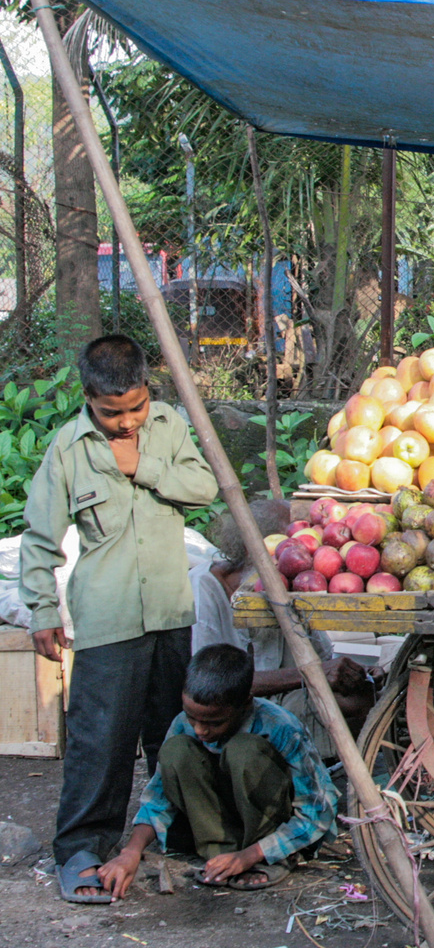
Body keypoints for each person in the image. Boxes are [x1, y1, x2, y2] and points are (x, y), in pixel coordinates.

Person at [20, 335, 219, 903]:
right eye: (113, 413)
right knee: (99, 741)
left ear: (147, 391)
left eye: (135, 407)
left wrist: (145, 466)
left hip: (170, 611)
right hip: (106, 619)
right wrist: (40, 609)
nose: (127, 420)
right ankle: (82, 848)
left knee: (173, 736)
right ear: (88, 398)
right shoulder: (68, 447)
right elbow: (39, 538)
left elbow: (205, 487)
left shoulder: (168, 428)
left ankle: (175, 838)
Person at [97, 644, 339, 897]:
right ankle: (221, 854)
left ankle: (270, 858)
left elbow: (318, 811)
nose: (200, 730)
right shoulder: (182, 724)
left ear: (245, 703)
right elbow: (158, 800)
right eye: (192, 717)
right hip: (217, 822)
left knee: (245, 751)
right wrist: (131, 853)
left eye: (214, 722)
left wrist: (251, 854)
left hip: (269, 827)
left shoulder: (281, 726)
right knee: (176, 750)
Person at [192, 500, 376, 756]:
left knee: (362, 696)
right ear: (252, 550)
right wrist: (314, 673)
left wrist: (353, 673)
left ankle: (334, 767)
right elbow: (216, 687)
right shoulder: (205, 587)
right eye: (287, 544)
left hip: (291, 699)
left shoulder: (289, 587)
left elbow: (322, 660)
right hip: (234, 712)